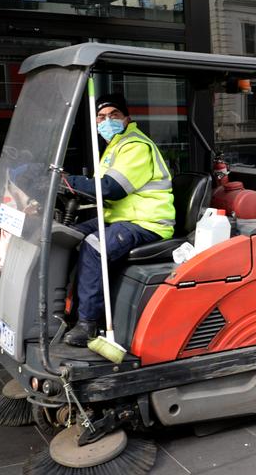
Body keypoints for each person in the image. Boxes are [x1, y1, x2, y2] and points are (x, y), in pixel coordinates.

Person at [63, 93, 175, 346]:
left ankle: (87, 324)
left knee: (94, 246)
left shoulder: (135, 145)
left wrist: (70, 182)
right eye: (101, 117)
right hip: (121, 218)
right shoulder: (114, 146)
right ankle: (67, 309)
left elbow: (111, 188)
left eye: (114, 115)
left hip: (147, 222)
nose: (107, 120)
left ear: (127, 118)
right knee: (67, 236)